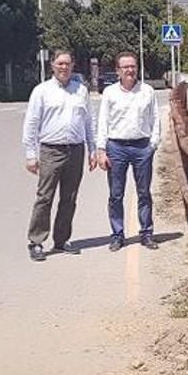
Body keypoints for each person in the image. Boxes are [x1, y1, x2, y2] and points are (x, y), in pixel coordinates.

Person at [22, 51, 97, 262]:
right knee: (45, 196)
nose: (64, 67)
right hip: (50, 150)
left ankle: (61, 240)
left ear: (73, 65)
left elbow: (88, 122)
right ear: (52, 65)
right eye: (60, 63)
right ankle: (36, 241)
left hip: (75, 150)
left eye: (68, 63)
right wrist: (30, 154)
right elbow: (31, 124)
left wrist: (92, 149)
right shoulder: (42, 91)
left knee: (69, 198)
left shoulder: (81, 90)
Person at [97, 51, 160, 251]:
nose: (130, 70)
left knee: (144, 193)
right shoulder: (110, 93)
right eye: (125, 67)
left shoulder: (147, 91)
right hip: (116, 148)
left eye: (133, 66)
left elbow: (155, 119)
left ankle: (146, 233)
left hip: (142, 147)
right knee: (116, 194)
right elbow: (102, 122)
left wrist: (153, 144)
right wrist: (101, 149)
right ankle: (117, 234)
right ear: (118, 71)